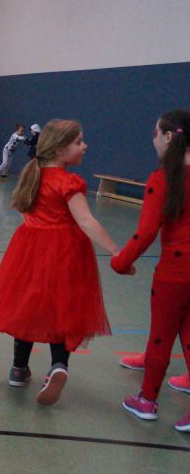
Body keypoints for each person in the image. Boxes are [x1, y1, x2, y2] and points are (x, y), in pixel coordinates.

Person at [0, 119, 118, 406]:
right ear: (58, 149)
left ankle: (18, 368)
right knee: (61, 307)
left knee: (28, 306)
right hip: (65, 252)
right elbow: (86, 221)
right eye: (78, 142)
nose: (85, 146)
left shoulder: (32, 175)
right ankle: (58, 366)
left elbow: (23, 210)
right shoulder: (69, 182)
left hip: (29, 249)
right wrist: (116, 251)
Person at [110, 111, 190, 432]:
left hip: (175, 271)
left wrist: (120, 261)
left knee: (161, 336)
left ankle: (147, 400)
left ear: (169, 137)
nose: (153, 139)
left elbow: (145, 233)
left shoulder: (162, 178)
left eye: (156, 133)